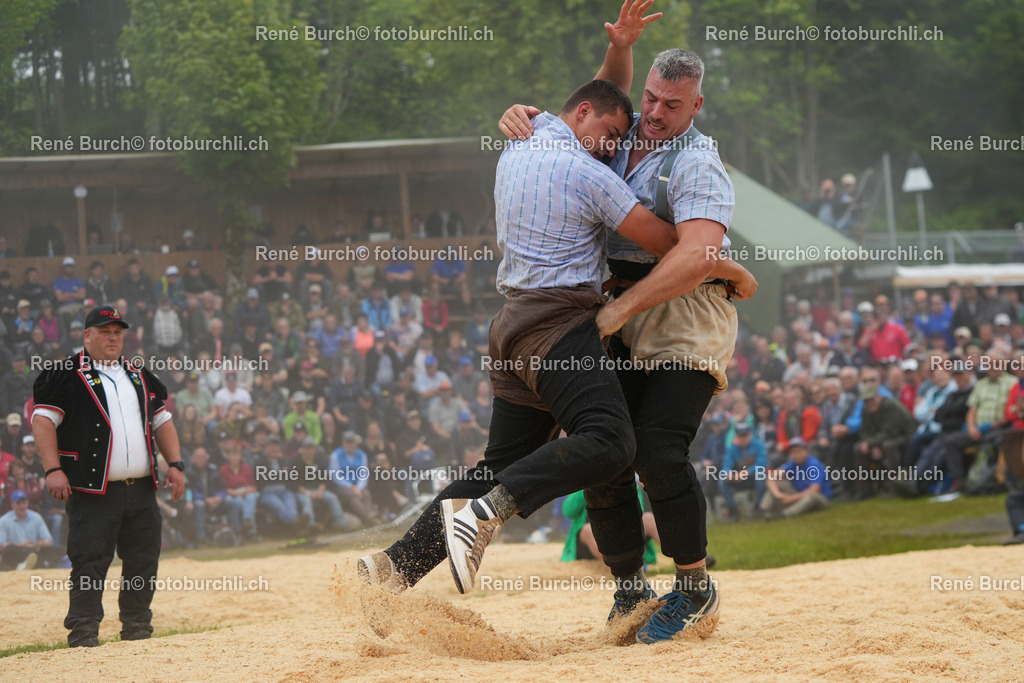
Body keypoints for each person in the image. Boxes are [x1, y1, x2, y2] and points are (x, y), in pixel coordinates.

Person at [358, 74, 686, 600]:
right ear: (583, 112)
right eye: (610, 133)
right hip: (558, 326)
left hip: (511, 328)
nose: (611, 147)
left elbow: (601, 89)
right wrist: (716, 253)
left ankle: (390, 570)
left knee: (498, 467)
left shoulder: (519, 143)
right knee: (611, 442)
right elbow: (668, 242)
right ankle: (483, 515)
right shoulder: (585, 171)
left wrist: (617, 53)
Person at [498, 8, 759, 641]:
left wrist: (620, 308)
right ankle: (630, 591)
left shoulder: (697, 161)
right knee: (605, 448)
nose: (656, 113)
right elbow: (593, 103)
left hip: (685, 310)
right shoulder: (621, 132)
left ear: (696, 105)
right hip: (614, 301)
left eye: (673, 104)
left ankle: (695, 589)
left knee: (657, 448)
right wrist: (616, 51)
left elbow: (695, 256)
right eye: (651, 98)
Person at [31, 304, 185, 647]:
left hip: (141, 489)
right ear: (87, 336)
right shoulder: (64, 374)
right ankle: (84, 632)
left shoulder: (138, 374)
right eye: (105, 332)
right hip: (92, 491)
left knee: (143, 560)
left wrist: (175, 464)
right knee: (89, 562)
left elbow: (161, 420)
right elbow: (42, 421)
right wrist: (53, 469)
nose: (113, 338)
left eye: (117, 332)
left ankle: (137, 628)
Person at [760, 439, 832, 518]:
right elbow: (771, 476)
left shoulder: (814, 465)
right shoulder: (792, 463)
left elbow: (815, 489)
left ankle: (783, 514)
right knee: (778, 484)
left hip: (821, 498)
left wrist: (792, 498)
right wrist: (778, 495)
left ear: (806, 451)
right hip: (800, 495)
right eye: (793, 452)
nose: (797, 455)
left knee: (812, 496)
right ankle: (763, 510)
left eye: (799, 451)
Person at [0, 490, 56, 570]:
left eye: (24, 503)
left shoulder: (36, 517)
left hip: (32, 552)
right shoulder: (4, 521)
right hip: (14, 553)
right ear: (12, 504)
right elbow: (1, 545)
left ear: (28, 503)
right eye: (19, 503)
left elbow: (49, 540)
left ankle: (23, 566)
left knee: (56, 550)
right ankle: (26, 565)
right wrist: (21, 545)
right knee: (9, 549)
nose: (22, 506)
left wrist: (40, 544)